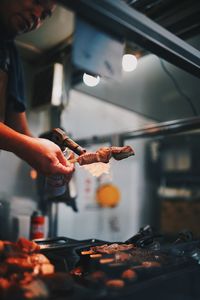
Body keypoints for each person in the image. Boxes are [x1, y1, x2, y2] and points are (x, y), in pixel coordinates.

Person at [0, 0, 75, 181]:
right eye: (37, 1)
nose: (36, 16)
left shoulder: (10, 53)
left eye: (44, 15)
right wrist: (26, 147)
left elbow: (18, 130)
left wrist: (51, 157)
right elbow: (23, 142)